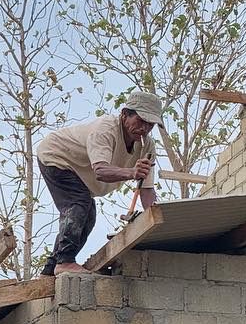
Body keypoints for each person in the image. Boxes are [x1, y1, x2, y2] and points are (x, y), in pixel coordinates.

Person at [35, 92, 163, 275]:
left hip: (80, 173)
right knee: (79, 203)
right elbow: (101, 171)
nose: (144, 128)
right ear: (125, 114)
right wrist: (132, 172)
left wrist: (155, 222)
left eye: (150, 125)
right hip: (56, 156)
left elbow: (147, 189)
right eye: (141, 121)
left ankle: (50, 269)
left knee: (88, 216)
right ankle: (64, 262)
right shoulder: (106, 130)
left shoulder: (147, 147)